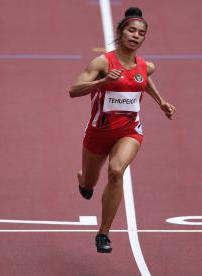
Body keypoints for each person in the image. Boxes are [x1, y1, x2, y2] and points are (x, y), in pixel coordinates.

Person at [69, 7, 175, 253]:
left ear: (143, 39)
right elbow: (73, 90)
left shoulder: (146, 66)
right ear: (120, 32)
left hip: (129, 131)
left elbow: (143, 80)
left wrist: (161, 102)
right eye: (131, 30)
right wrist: (102, 82)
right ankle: (83, 180)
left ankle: (103, 233)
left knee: (117, 171)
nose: (135, 36)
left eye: (140, 33)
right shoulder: (102, 62)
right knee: (89, 182)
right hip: (98, 133)